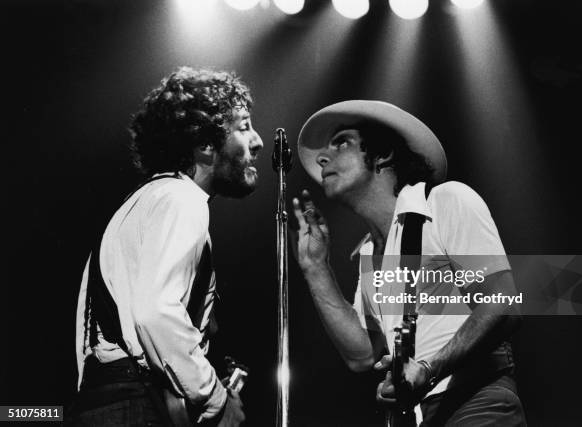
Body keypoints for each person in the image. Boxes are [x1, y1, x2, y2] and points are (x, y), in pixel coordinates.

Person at [293, 100, 526, 426]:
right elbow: (362, 355)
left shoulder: (445, 202)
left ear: (383, 153)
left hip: (476, 403)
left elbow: (503, 302)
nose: (322, 158)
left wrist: (429, 370)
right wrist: (316, 268)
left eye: (342, 142)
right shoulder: (367, 253)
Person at [70, 67, 263, 426]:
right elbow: (155, 311)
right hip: (133, 405)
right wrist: (215, 399)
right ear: (205, 145)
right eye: (243, 126)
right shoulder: (181, 200)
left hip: (104, 400)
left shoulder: (142, 202)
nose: (258, 141)